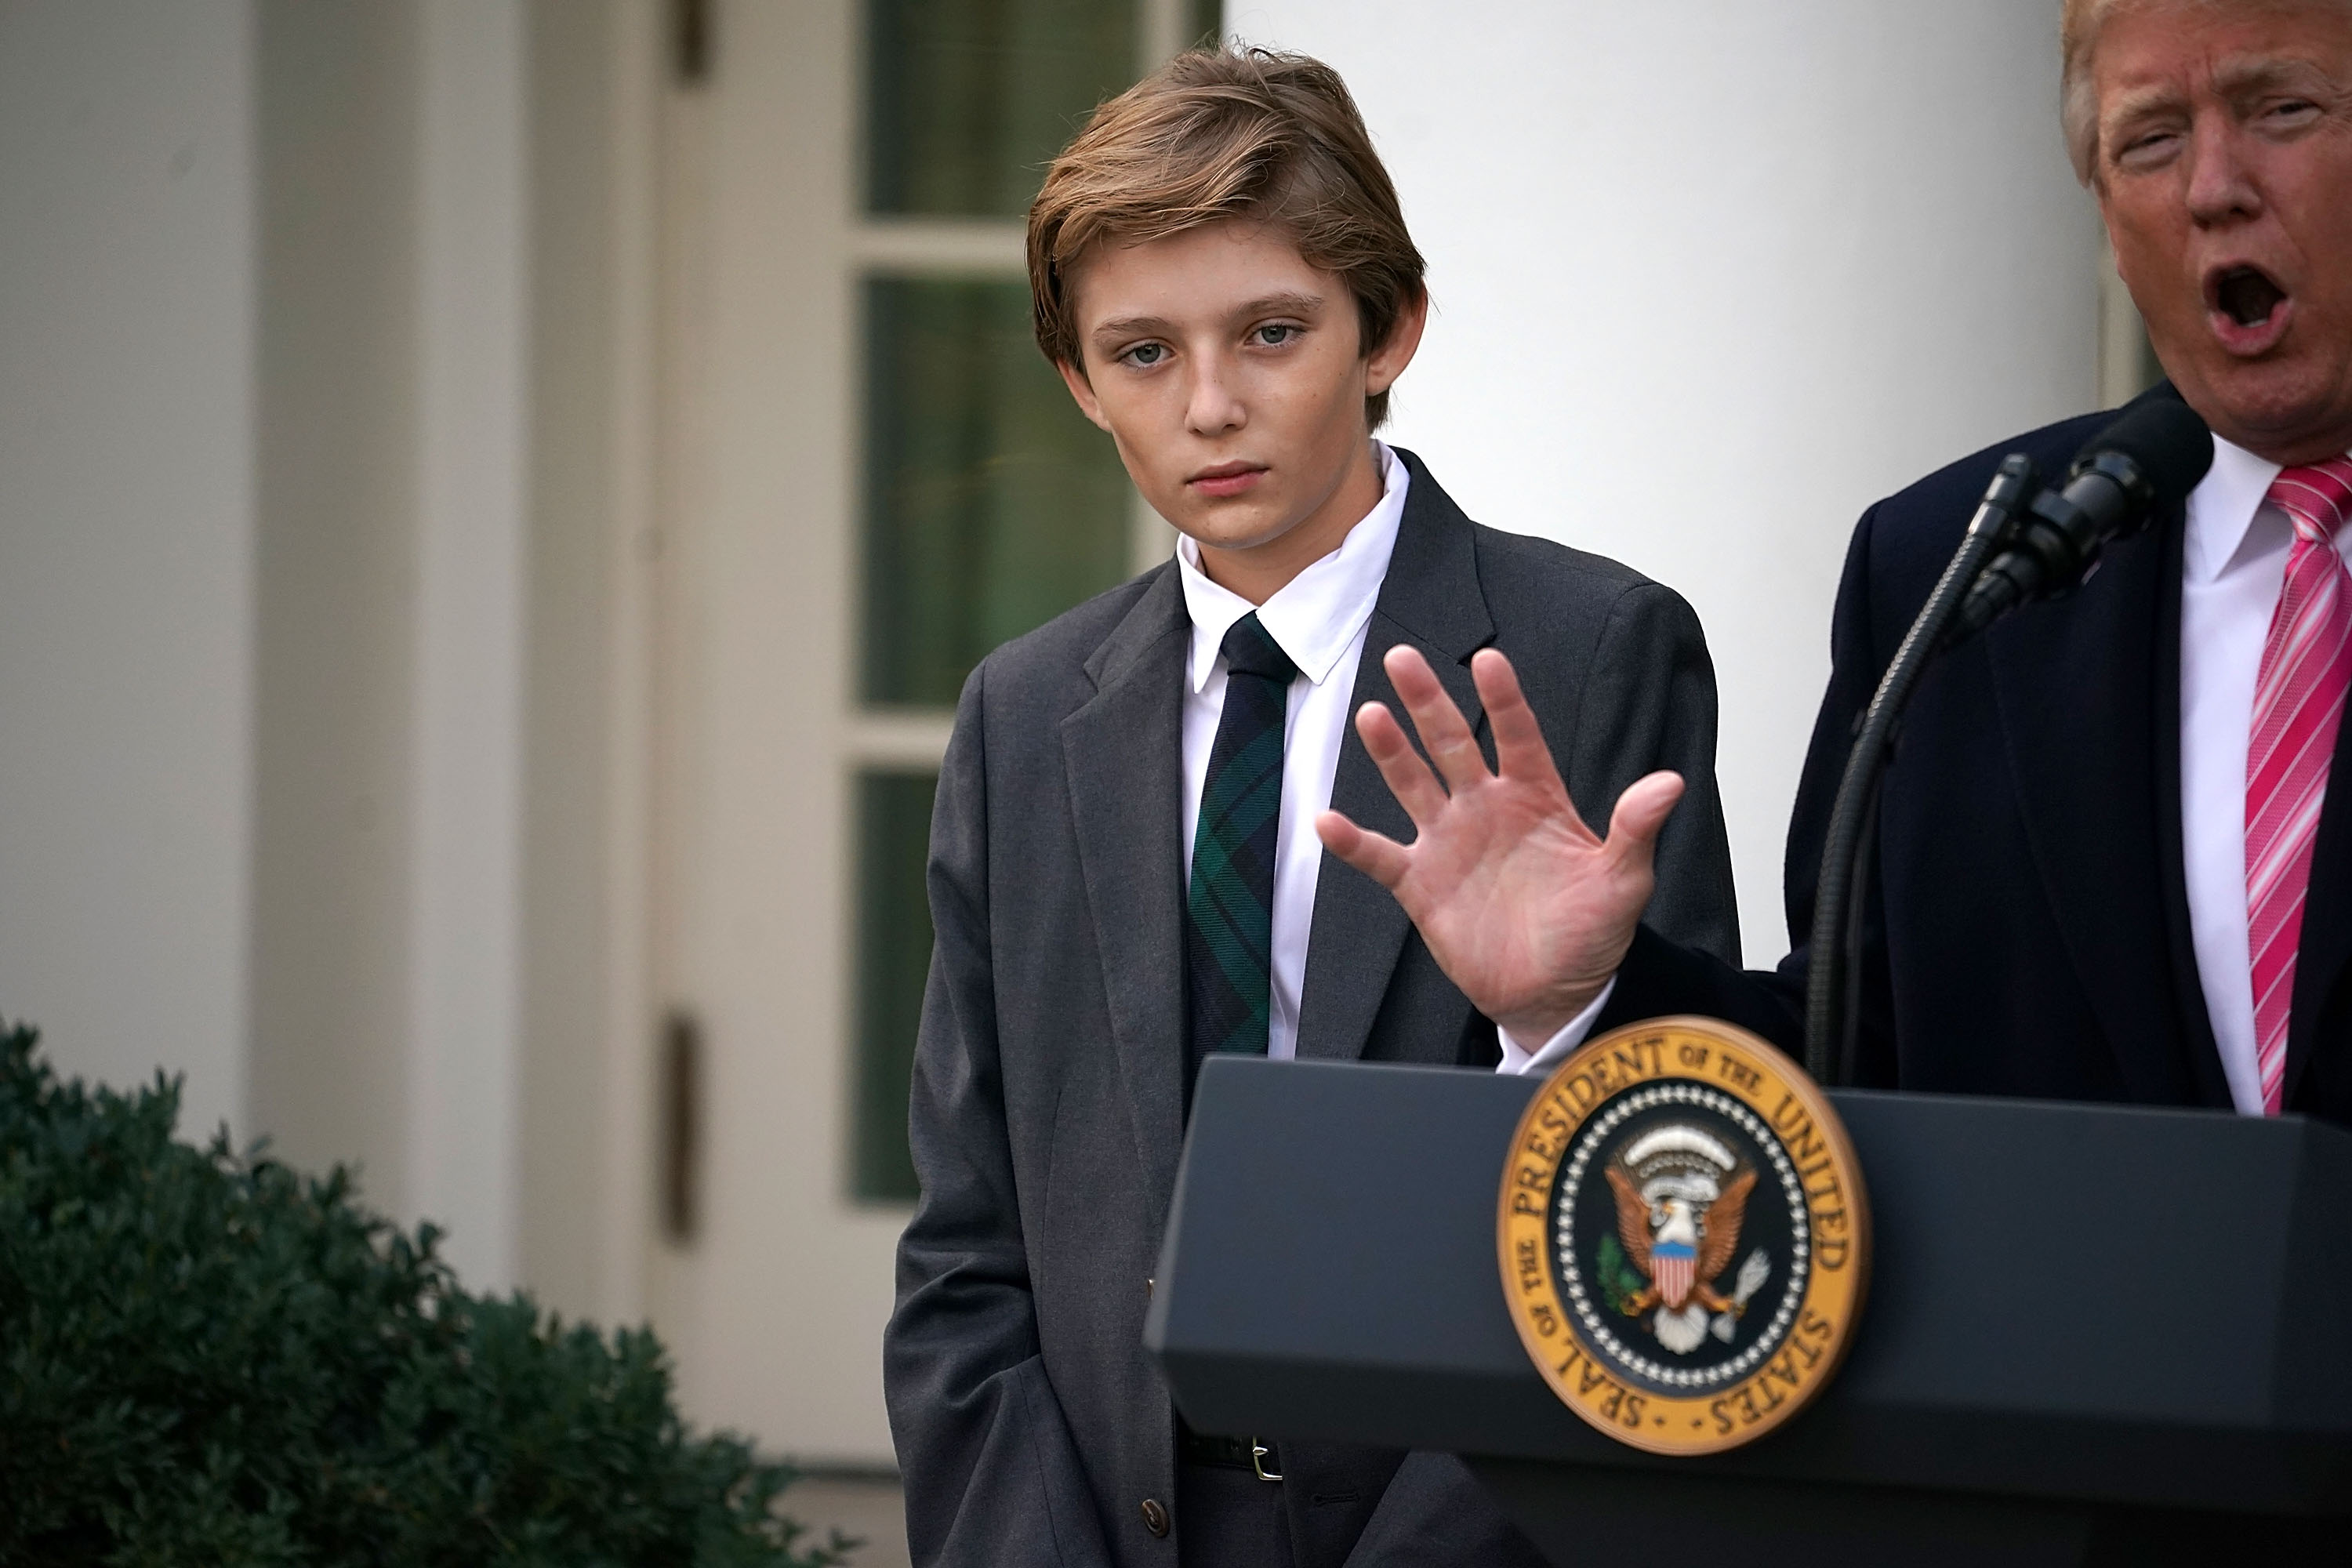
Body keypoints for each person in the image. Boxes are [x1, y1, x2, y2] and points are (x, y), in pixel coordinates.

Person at [883, 45, 1740, 1568]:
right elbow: (966, 1245)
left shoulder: (1587, 653)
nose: (1210, 405)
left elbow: (1656, 1176)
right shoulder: (1022, 719)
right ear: (1078, 379)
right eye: (1142, 353)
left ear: (1387, 330)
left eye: (1271, 331)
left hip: (1467, 1519)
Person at [1318, 0, 2352, 1120]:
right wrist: (1590, 996)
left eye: (2281, 109)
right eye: (2149, 140)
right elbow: (1847, 1058)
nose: (2212, 187)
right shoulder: (1959, 566)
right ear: (2105, 213)